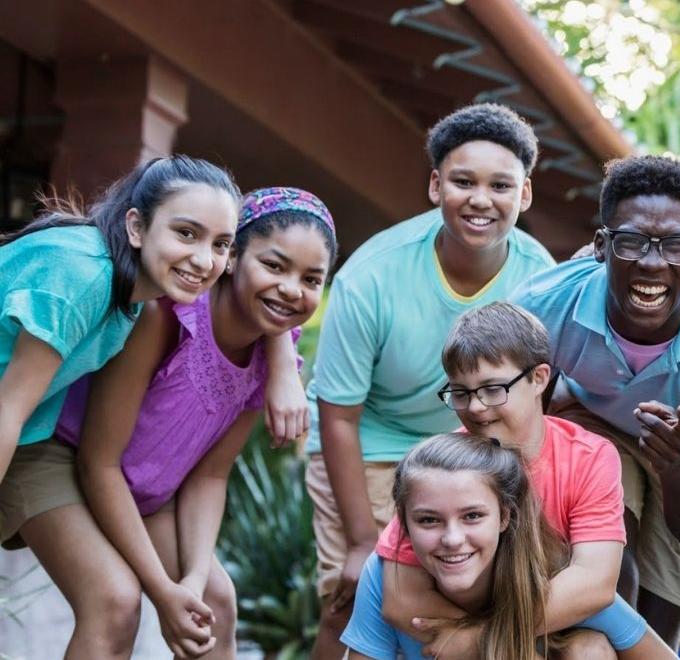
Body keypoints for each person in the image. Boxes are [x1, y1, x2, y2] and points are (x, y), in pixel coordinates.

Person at [32, 187, 331, 659]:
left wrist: (191, 577)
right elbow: (99, 462)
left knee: (213, 601)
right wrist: (161, 586)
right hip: (66, 458)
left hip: (148, 495)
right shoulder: (167, 317)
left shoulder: (270, 356)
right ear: (231, 258)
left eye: (311, 279)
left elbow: (210, 476)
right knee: (116, 603)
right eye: (274, 266)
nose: (292, 288)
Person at [304, 103, 555, 658]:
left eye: (500, 185)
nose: (481, 200)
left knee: (479, 603)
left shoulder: (539, 276)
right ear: (436, 184)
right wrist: (360, 541)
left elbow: (541, 396)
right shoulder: (371, 276)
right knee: (353, 597)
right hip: (369, 446)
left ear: (525, 194)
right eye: (463, 182)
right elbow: (338, 416)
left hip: (474, 454)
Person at [512, 155, 680, 647]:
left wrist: (677, 463)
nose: (653, 263)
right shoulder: (541, 307)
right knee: (614, 578)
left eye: (676, 246)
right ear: (601, 246)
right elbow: (519, 428)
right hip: (587, 418)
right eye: (633, 241)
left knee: (654, 634)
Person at [373, 301, 671, 658]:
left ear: (539, 379)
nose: (476, 407)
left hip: (549, 623)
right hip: (466, 619)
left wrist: (483, 637)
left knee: (591, 649)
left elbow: (594, 584)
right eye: (461, 393)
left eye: (493, 389)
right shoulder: (445, 467)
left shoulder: (587, 457)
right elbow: (400, 597)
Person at [0, 156, 242, 486]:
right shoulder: (85, 276)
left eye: (221, 244)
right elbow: (7, 409)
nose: (204, 261)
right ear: (137, 227)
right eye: (186, 233)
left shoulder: (131, 298)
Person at [345, 432, 676, 660]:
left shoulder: (555, 576)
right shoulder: (385, 575)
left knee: (588, 649)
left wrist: (487, 642)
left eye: (472, 516)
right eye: (429, 520)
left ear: (504, 517)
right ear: (403, 523)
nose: (452, 539)